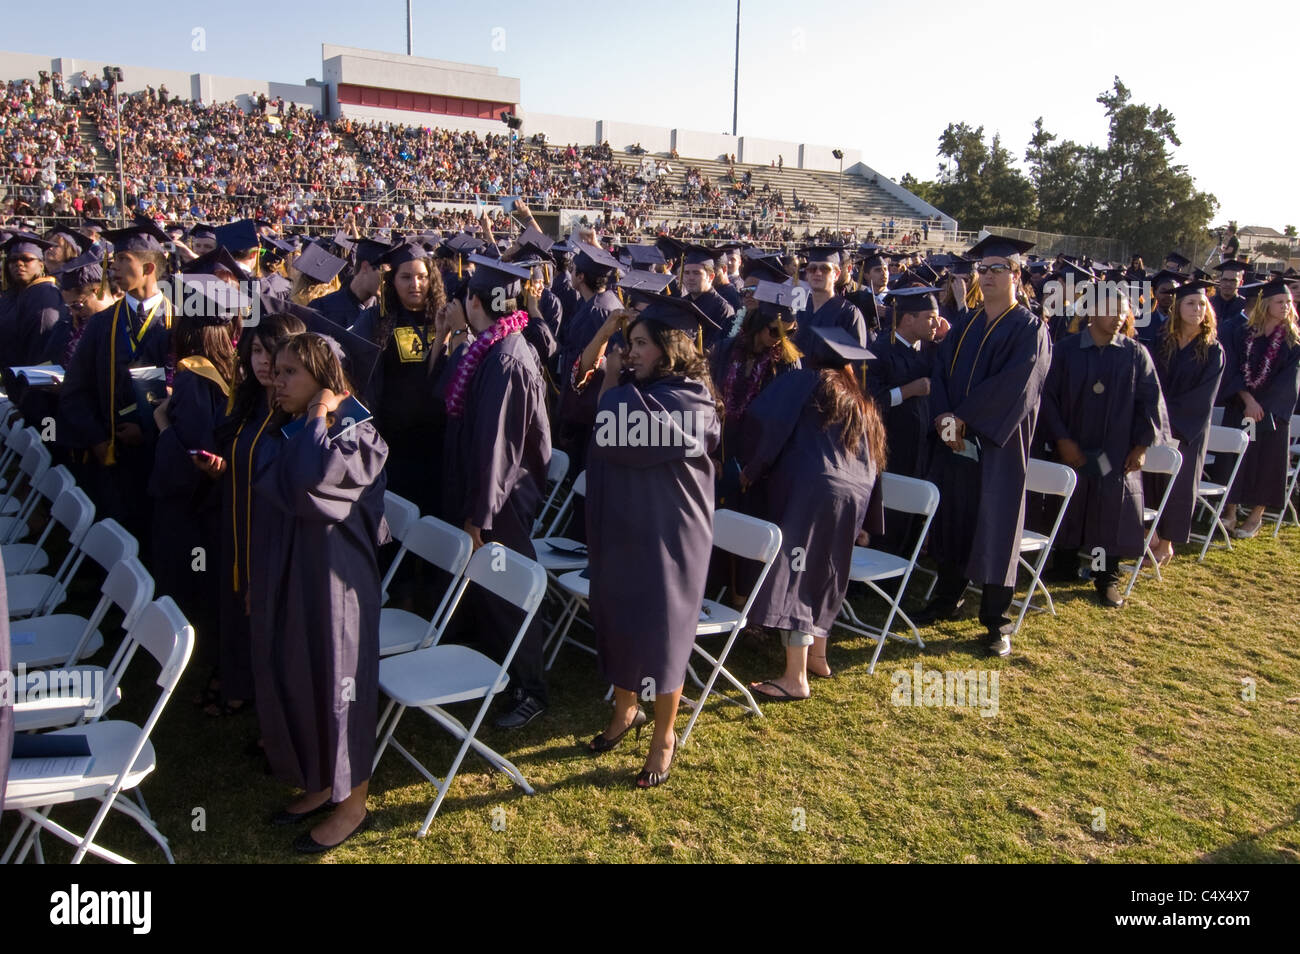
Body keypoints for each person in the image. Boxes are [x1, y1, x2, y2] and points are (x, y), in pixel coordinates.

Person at [253, 332, 388, 853]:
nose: (275, 378)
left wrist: (319, 416)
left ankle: (353, 805)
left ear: (324, 382)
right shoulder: (292, 425)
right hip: (300, 572)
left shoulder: (359, 432)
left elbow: (312, 482)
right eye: (276, 368)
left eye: (290, 372)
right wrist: (307, 418)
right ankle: (322, 781)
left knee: (340, 689)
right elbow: (269, 478)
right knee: (302, 674)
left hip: (339, 588)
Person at [584, 293, 721, 788]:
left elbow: (614, 425)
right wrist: (610, 363)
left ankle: (664, 736)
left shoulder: (691, 397)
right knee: (620, 616)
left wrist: (613, 378)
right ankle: (625, 712)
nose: (631, 352)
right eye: (629, 343)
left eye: (641, 343)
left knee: (663, 635)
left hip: (671, 536)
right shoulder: (640, 389)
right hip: (625, 524)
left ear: (669, 347)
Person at [915, 235, 1052, 657]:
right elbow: (939, 374)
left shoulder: (1031, 329)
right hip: (953, 439)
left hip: (999, 444)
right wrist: (942, 418)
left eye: (997, 269)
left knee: (997, 523)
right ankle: (948, 597)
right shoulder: (969, 323)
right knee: (956, 518)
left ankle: (997, 621)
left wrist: (964, 421)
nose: (988, 276)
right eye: (984, 269)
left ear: (1016, 275)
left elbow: (1018, 386)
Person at [436, 255, 553, 729]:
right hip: (490, 494)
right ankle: (502, 671)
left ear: (475, 302)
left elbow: (497, 448)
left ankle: (532, 688)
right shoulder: (491, 345)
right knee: (490, 591)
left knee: (510, 594)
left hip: (501, 500)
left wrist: (479, 515)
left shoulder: (505, 359)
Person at [741, 322, 885, 700]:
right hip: (852, 493)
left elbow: (764, 424)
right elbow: (875, 463)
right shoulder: (860, 398)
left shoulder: (805, 381)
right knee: (826, 567)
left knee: (798, 572)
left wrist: (750, 470)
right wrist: (867, 517)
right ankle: (818, 656)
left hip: (811, 489)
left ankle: (794, 677)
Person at [203, 310, 307, 721]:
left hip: (274, 533)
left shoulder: (298, 415)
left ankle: (271, 703)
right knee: (236, 601)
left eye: (274, 352)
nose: (263, 361)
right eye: (257, 350)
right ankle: (238, 679)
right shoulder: (249, 404)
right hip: (238, 524)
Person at [1037, 288, 1166, 608]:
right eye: (1112, 309)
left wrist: (1141, 446)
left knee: (1109, 511)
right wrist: (1062, 440)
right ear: (1091, 312)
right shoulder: (1066, 351)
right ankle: (1064, 566)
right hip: (1074, 446)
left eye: (1124, 311)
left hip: (1116, 451)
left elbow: (1150, 402)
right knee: (1072, 505)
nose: (1120, 316)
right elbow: (1048, 399)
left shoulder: (1135, 354)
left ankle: (1104, 577)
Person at [57, 222, 175, 559]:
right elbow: (75, 389)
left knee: (158, 538)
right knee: (116, 534)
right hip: (112, 452)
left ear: (149, 268)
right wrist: (96, 437)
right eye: (114, 260)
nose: (114, 268)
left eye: (123, 259)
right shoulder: (102, 323)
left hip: (160, 452)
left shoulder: (179, 320)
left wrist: (150, 429)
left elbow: (190, 391)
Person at [149, 277, 240, 709]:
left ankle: (188, 658)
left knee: (191, 580)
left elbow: (189, 453)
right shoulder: (236, 366)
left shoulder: (190, 374)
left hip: (196, 505)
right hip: (225, 499)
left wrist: (161, 422)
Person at [350, 241, 448, 518]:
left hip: (436, 438)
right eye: (405, 277)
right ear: (392, 281)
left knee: (433, 516)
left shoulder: (445, 318)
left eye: (422, 277)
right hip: (391, 438)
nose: (415, 284)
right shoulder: (375, 319)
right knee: (395, 517)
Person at [1143, 280, 1225, 566]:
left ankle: (1166, 543)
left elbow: (1203, 398)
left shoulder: (1213, 350)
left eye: (1202, 304)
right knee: (1152, 478)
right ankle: (1149, 535)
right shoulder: (1161, 341)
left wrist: (1167, 420)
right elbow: (1149, 381)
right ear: (1178, 307)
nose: (1197, 309)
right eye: (1191, 303)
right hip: (1156, 423)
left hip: (1188, 429)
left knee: (1178, 485)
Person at [1213, 279, 1300, 538]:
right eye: (1279, 302)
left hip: (1274, 412)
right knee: (1235, 460)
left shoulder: (1293, 341)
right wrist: (1247, 400)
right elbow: (1233, 368)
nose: (1285, 306)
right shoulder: (1243, 333)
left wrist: (1263, 407)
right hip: (1241, 405)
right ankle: (1230, 511)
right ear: (1265, 304)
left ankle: (1255, 517)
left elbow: (1291, 379)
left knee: (1267, 463)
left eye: (1288, 302)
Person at [711, 280, 801, 506]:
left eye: (788, 333)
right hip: (718, 453)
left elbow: (782, 423)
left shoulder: (787, 364)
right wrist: (709, 453)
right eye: (774, 331)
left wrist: (756, 467)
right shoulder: (724, 351)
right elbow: (707, 402)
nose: (780, 339)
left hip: (758, 466)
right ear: (758, 323)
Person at [1, 232, 65, 367]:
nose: (18, 263)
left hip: (30, 377)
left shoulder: (46, 294)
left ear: (41, 264)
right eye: (13, 260)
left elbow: (41, 345)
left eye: (26, 259)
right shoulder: (11, 295)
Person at [793, 246, 867, 360]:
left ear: (836, 274)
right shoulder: (799, 309)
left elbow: (855, 363)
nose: (817, 273)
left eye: (824, 269)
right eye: (812, 268)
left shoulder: (848, 314)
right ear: (807, 274)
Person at [310, 238, 389, 329]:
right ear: (365, 267)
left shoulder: (385, 312)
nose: (389, 281)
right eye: (386, 274)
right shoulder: (322, 308)